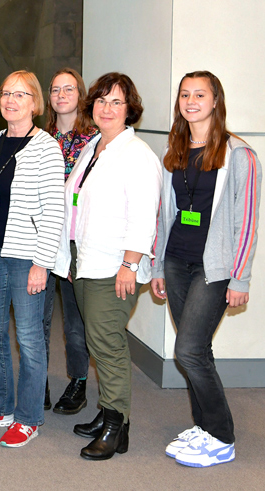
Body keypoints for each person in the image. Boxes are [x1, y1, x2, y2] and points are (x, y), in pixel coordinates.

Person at [151, 71, 261, 468]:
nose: (191, 101)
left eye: (200, 94)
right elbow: (166, 214)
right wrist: (158, 263)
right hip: (177, 261)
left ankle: (222, 436)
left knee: (188, 350)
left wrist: (240, 277)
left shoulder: (239, 155)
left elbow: (246, 223)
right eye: (185, 94)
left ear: (216, 101)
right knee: (198, 349)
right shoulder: (175, 152)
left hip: (214, 268)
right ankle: (203, 426)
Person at [53, 72, 162, 460]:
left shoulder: (138, 155)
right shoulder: (93, 147)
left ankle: (115, 429)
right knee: (98, 344)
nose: (107, 108)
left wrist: (130, 264)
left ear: (130, 109)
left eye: (116, 102)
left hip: (114, 266)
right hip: (85, 262)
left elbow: (144, 215)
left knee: (108, 346)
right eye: (101, 101)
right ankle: (111, 415)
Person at [0, 71, 64, 448]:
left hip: (27, 257)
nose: (11, 100)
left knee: (29, 337)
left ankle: (28, 417)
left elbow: (55, 210)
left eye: (21, 94)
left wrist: (42, 262)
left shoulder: (46, 148)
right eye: (6, 93)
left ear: (35, 104)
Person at [41, 68, 98, 414]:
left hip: (77, 241)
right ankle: (39, 382)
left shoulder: (95, 139)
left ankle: (78, 382)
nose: (62, 95)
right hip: (43, 238)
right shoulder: (39, 136)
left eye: (69, 89)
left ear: (81, 94)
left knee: (76, 323)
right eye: (55, 89)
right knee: (38, 318)